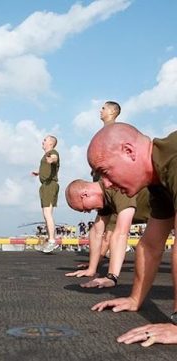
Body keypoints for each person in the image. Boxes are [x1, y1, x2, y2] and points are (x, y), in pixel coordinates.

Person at [87, 122, 177, 346]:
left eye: (105, 172)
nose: (106, 184)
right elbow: (151, 246)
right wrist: (135, 298)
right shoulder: (158, 179)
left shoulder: (174, 160)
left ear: (128, 151)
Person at [65, 179, 150, 288]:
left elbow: (121, 233)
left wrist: (111, 277)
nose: (88, 211)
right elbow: (96, 231)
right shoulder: (104, 197)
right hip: (161, 215)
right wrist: (91, 269)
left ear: (85, 195)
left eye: (84, 209)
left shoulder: (116, 186)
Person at [31, 135, 60, 253]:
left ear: (51, 143)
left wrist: (51, 159)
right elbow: (48, 167)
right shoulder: (45, 156)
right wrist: (38, 172)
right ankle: (49, 240)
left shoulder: (52, 152)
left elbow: (55, 158)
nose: (43, 141)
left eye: (45, 140)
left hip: (49, 185)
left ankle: (52, 241)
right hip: (45, 185)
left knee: (48, 214)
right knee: (46, 214)